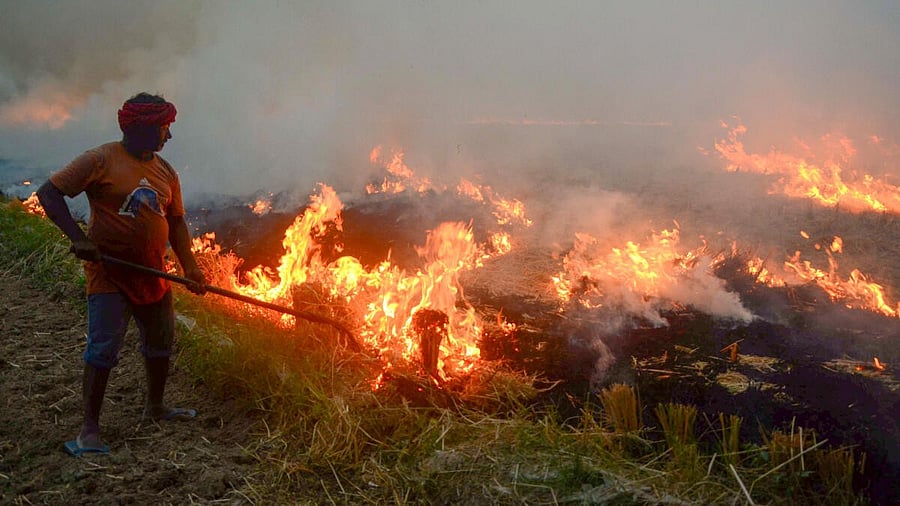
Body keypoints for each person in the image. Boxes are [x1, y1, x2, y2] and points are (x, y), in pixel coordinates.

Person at [36, 92, 208, 456]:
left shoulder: (166, 171)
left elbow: (175, 222)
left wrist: (190, 266)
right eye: (164, 128)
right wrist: (78, 238)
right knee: (103, 350)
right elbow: (49, 193)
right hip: (110, 274)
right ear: (142, 128)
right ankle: (89, 431)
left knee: (160, 342)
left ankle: (155, 408)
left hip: (153, 274)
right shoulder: (100, 159)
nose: (169, 136)